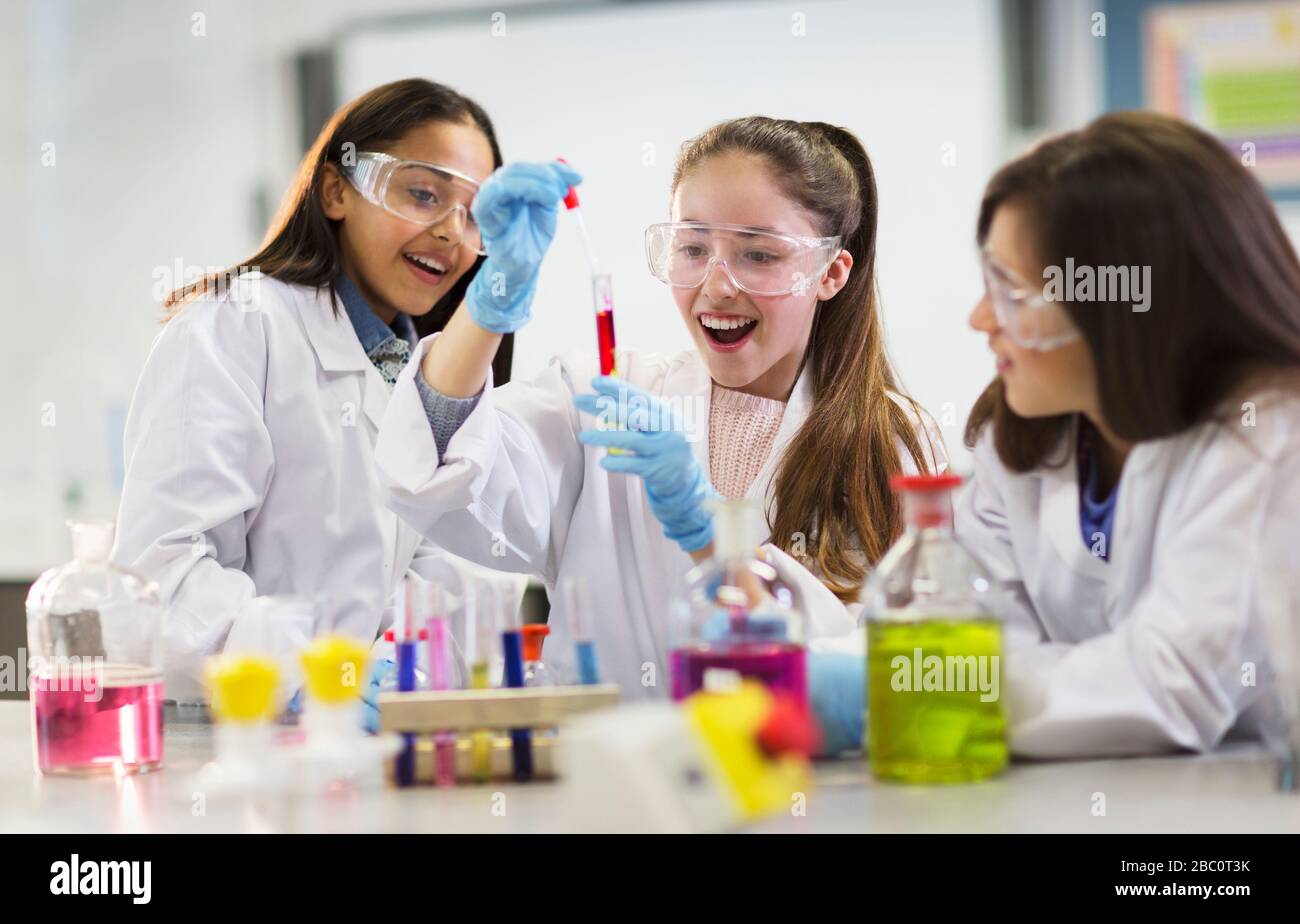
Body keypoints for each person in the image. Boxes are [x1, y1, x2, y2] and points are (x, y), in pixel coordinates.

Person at [376, 116, 944, 698]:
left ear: (830, 273)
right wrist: (491, 295)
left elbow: (884, 667)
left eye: (759, 254)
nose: (717, 286)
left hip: (796, 779)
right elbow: (436, 466)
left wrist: (705, 533)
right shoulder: (605, 400)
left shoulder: (890, 440)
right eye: (693, 248)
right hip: (613, 775)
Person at [114, 79, 509, 702]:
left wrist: (410, 674)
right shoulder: (237, 325)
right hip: (232, 745)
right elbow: (168, 576)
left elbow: (441, 574)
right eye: (424, 194)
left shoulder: (421, 373)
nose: (453, 235)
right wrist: (322, 681)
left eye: (476, 215)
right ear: (335, 191)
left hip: (371, 749)